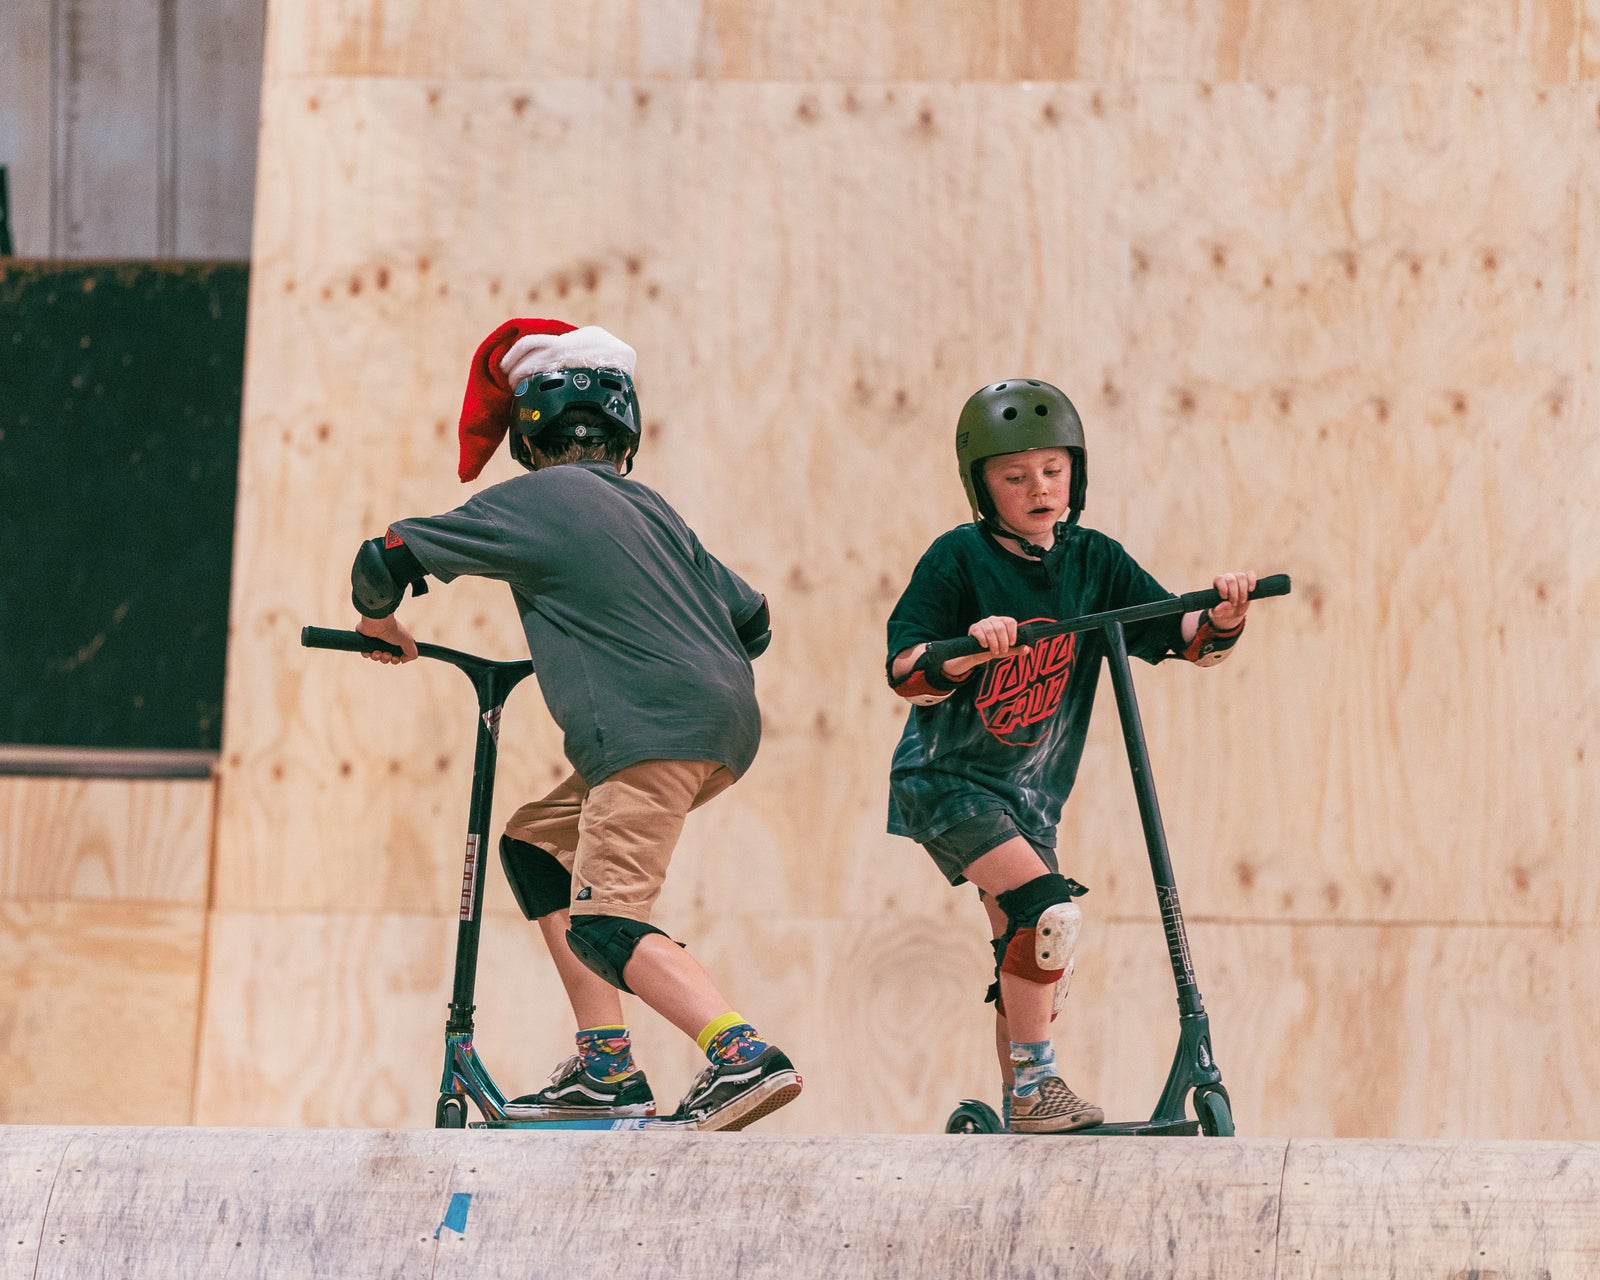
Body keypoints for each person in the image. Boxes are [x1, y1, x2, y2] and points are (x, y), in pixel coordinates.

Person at [346, 317, 801, 1131]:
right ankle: (605, 1067)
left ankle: (742, 1056)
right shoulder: (652, 508)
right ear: (626, 427)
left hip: (646, 731)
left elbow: (382, 559)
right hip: (723, 728)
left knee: (605, 922)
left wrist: (382, 624)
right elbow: (755, 621)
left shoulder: (534, 499)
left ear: (527, 432)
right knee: (533, 843)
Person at [884, 378, 1255, 1134]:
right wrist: (965, 653)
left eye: (1053, 472)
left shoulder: (1095, 562)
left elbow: (1182, 641)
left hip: (1029, 798)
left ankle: (1023, 1106)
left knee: (1026, 948)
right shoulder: (957, 558)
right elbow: (904, 667)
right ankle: (1036, 1090)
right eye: (1015, 477)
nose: (1038, 489)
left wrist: (1222, 614)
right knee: (1048, 913)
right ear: (982, 489)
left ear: (1076, 475)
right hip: (947, 780)